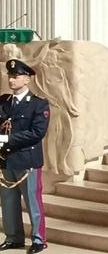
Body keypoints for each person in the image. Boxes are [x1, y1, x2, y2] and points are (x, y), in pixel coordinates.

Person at [0, 59, 50, 254]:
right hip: (6, 159)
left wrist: (5, 139)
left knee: (32, 200)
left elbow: (37, 133)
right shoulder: (3, 101)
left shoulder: (38, 104)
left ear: (27, 79)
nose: (12, 80)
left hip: (27, 160)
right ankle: (13, 237)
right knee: (8, 201)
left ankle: (39, 239)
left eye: (16, 76)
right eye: (10, 76)